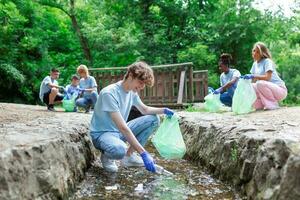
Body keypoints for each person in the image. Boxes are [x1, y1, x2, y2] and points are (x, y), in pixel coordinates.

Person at [90, 61, 175, 173]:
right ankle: (108, 156)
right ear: (130, 75)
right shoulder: (109, 93)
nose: (141, 87)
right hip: (103, 134)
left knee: (154, 119)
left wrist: (164, 110)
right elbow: (122, 127)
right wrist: (143, 153)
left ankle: (129, 156)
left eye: (144, 84)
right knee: (119, 149)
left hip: (118, 133)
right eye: (140, 82)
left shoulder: (132, 92)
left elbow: (144, 110)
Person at [242, 42, 287, 110]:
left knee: (260, 83)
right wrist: (245, 82)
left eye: (258, 52)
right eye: (254, 51)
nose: (255, 53)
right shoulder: (254, 64)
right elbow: (253, 82)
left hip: (279, 90)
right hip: (265, 89)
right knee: (249, 87)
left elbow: (267, 77)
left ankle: (273, 104)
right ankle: (260, 105)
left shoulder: (267, 61)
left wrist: (253, 75)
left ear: (262, 53)